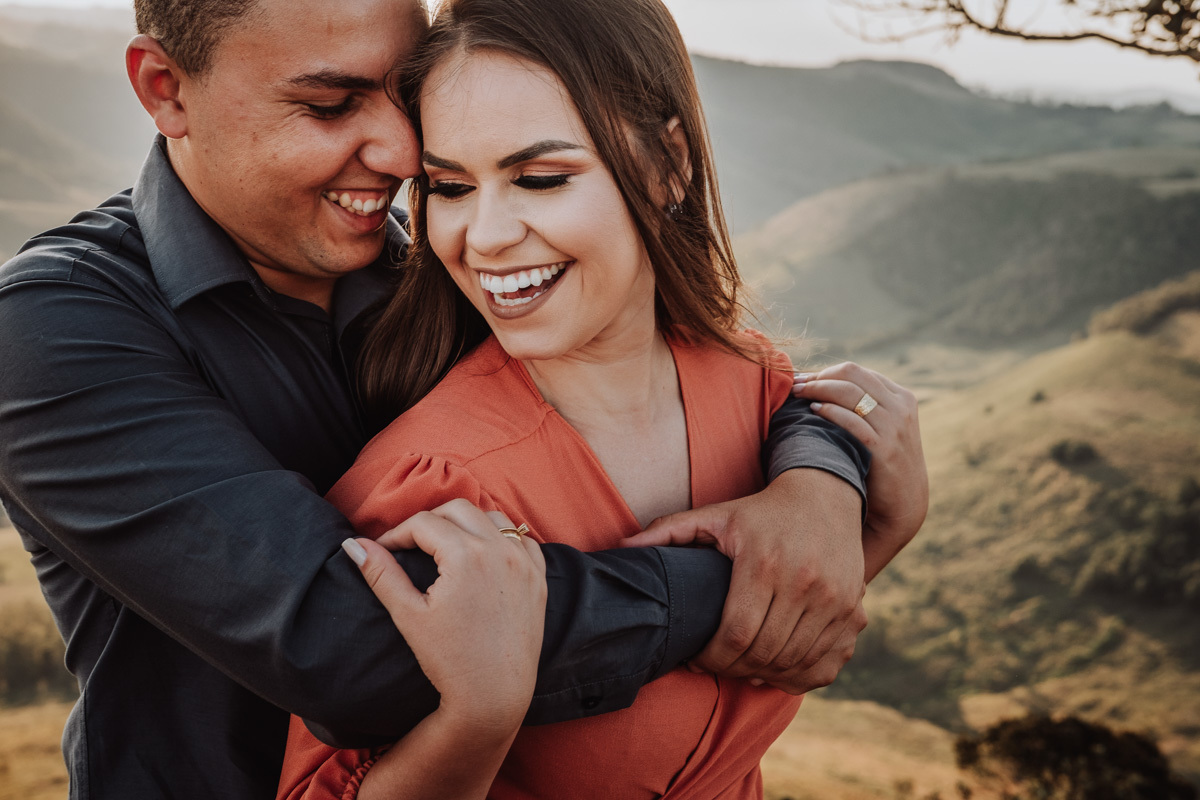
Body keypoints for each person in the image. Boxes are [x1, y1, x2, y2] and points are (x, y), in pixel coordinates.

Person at [0, 0, 926, 798]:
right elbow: (355, 641)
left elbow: (690, 368)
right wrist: (759, 579)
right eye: (330, 104)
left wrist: (817, 480)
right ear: (165, 88)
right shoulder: (49, 329)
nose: (404, 151)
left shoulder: (447, 274)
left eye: (406, 97)